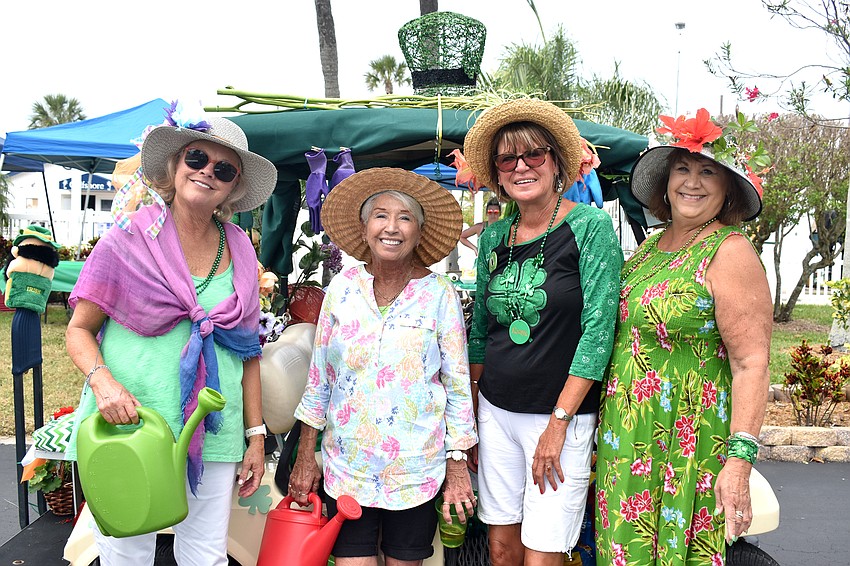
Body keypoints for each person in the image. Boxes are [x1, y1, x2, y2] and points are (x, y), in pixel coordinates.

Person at [65, 114, 277, 565]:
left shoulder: (240, 247)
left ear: (233, 188)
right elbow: (79, 329)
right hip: (129, 423)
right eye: (197, 157)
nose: (207, 172)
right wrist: (103, 384)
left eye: (224, 169)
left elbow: (249, 351)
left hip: (213, 429)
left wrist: (255, 436)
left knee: (206, 555)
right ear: (175, 165)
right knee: (125, 553)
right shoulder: (126, 240)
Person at [595, 108, 772, 565]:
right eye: (683, 168)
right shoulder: (652, 245)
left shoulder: (730, 251)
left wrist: (739, 462)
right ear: (666, 181)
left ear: (726, 187)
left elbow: (751, 363)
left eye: (707, 171)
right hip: (626, 437)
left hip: (688, 440)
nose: (692, 181)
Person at [289, 167, 478, 566]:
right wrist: (306, 456)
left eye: (405, 217)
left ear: (418, 232)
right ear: (364, 228)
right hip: (348, 465)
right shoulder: (342, 288)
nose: (391, 227)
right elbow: (319, 378)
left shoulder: (439, 293)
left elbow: (458, 384)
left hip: (415, 469)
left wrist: (457, 465)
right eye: (380, 215)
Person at [463, 98, 624, 565]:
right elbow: (481, 330)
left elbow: (598, 331)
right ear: (496, 172)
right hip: (495, 410)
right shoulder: (495, 236)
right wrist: (474, 411)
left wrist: (559, 424)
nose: (521, 166)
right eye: (507, 159)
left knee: (543, 552)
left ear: (555, 162)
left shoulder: (589, 227)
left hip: (559, 417)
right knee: (500, 548)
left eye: (533, 154)